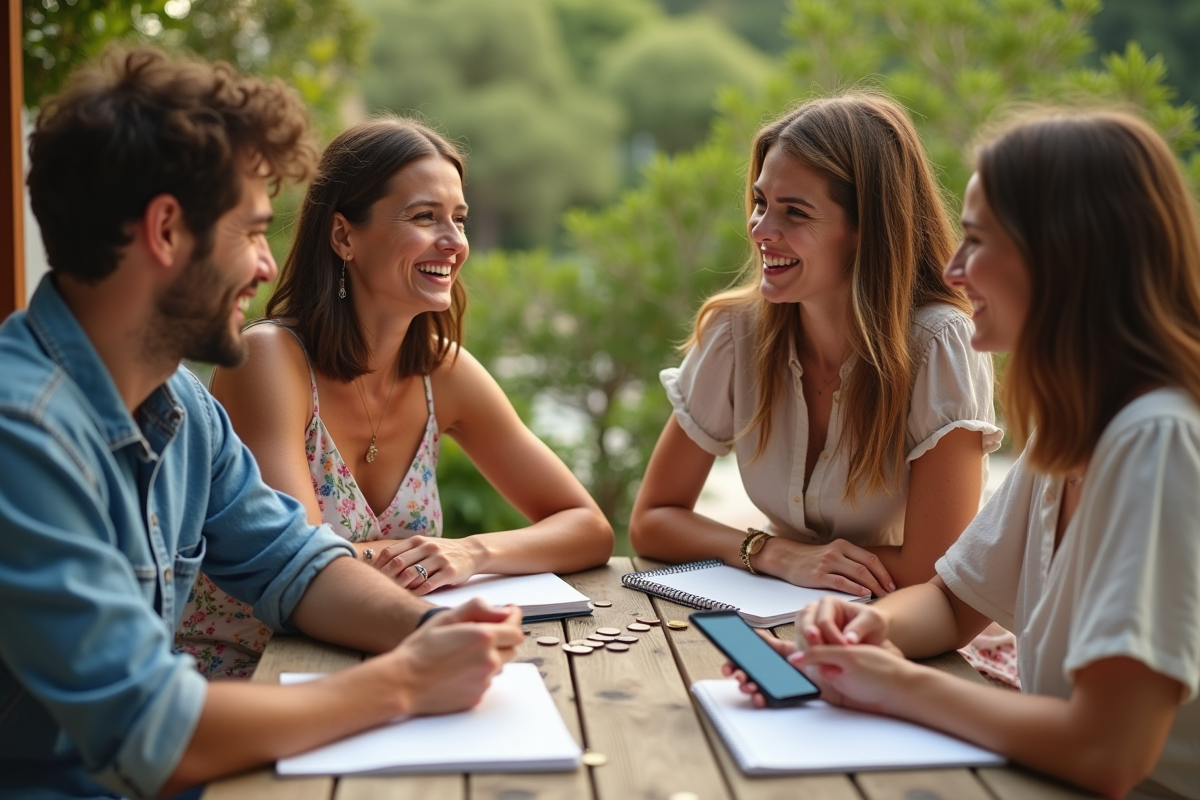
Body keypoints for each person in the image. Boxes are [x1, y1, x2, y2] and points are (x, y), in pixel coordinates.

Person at [0, 47, 525, 800]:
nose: (267, 264)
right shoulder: (21, 434)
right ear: (167, 231)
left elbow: (294, 563)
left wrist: (426, 631)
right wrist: (406, 682)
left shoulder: (185, 412)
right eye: (251, 231)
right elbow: (151, 730)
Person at [745, 111, 1200, 800]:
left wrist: (898, 685)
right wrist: (866, 632)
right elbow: (957, 604)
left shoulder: (1158, 440)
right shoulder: (1072, 432)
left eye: (978, 240)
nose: (954, 270)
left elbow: (1110, 752)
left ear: (1065, 254)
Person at [175, 117, 613, 678]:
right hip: (249, 674)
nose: (454, 242)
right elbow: (305, 561)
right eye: (423, 217)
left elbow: (587, 527)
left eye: (459, 219)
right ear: (343, 236)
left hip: (379, 657)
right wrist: (413, 563)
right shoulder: (268, 360)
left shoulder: (443, 370)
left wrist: (470, 552)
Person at [629, 92, 1008, 677]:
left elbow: (933, 572)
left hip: (917, 646)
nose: (761, 230)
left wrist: (797, 565)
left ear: (864, 229)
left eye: (794, 213)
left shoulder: (938, 343)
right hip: (782, 620)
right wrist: (776, 554)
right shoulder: (734, 333)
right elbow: (653, 519)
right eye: (760, 203)